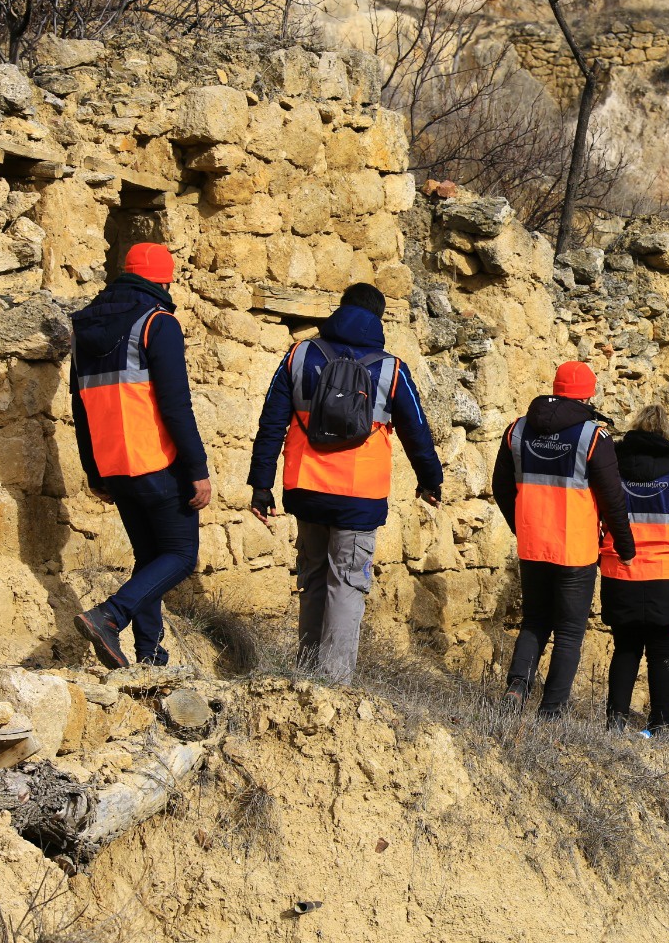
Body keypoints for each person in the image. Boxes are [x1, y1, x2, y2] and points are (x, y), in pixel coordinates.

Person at [246, 283, 443, 684]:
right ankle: (333, 684)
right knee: (348, 583)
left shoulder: (299, 356)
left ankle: (304, 675)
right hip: (359, 495)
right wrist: (430, 480)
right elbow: (417, 431)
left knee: (314, 575)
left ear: (341, 309)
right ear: (379, 317)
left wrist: (261, 484)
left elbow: (271, 423)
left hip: (306, 488)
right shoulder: (391, 369)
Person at [70, 243, 211, 668]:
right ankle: (109, 616)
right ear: (162, 281)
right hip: (157, 462)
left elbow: (79, 404)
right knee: (181, 556)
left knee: (150, 558)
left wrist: (95, 471)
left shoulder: (85, 328)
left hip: (114, 464)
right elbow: (175, 405)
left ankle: (149, 652)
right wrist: (198, 469)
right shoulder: (157, 323)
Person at [492, 361, 635, 716]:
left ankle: (516, 689)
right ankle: (551, 709)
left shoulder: (517, 429)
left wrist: (521, 526)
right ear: (589, 394)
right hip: (575, 550)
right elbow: (613, 499)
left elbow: (500, 486)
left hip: (532, 544)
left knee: (534, 621)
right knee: (569, 632)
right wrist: (625, 546)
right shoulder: (593, 437)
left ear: (556, 389)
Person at [600, 406, 669, 734]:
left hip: (622, 570)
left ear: (634, 428)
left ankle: (615, 722)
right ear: (666, 433)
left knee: (625, 649)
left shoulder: (613, 466)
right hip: (668, 574)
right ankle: (659, 726)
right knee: (663, 654)